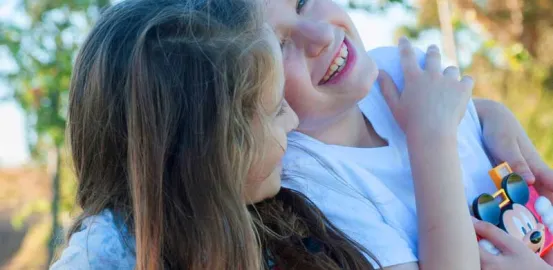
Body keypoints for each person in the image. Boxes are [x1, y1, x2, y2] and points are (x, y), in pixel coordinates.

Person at [50, 0, 380, 269]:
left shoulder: (286, 226)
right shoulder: (103, 256)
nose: (292, 122)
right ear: (211, 148)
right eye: (277, 109)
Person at [264, 0, 553, 269]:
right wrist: (432, 137)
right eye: (279, 45)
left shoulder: (396, 69)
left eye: (302, 1)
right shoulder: (306, 178)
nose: (322, 34)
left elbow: (463, 121)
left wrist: (491, 113)